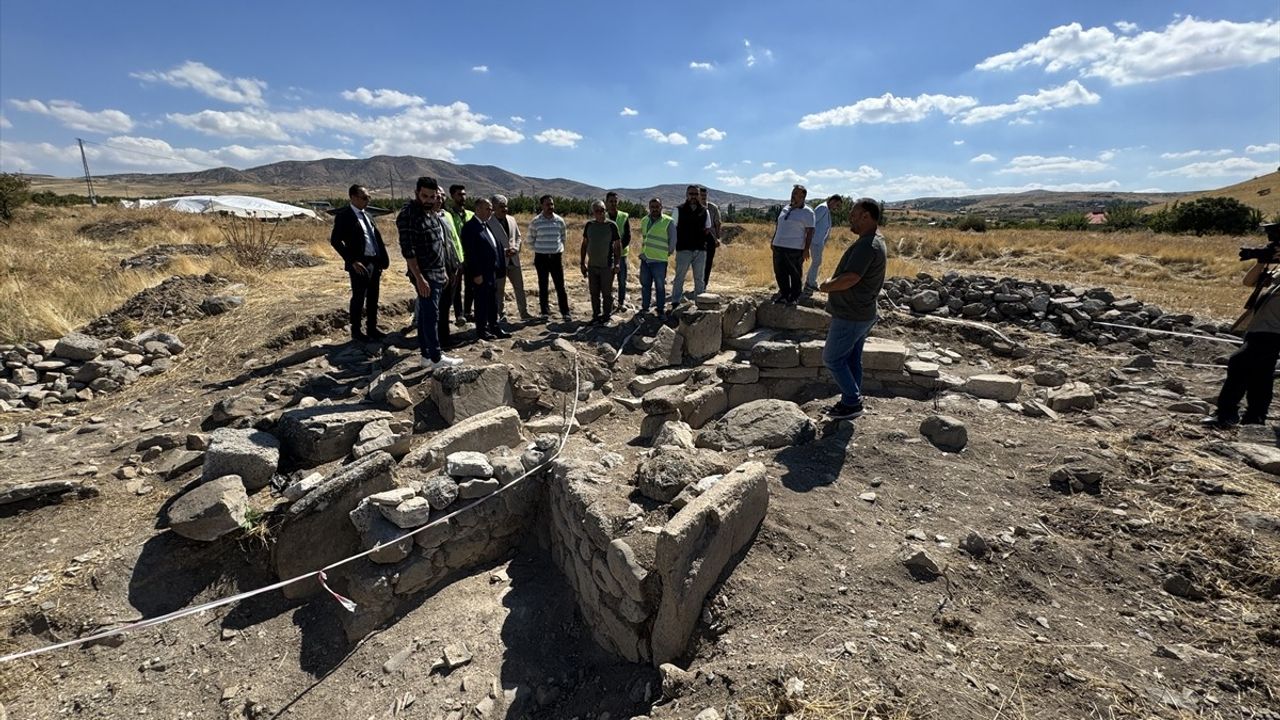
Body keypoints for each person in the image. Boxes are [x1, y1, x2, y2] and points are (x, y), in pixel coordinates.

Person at [818, 198, 887, 421]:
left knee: (832, 359)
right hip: (863, 312)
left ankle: (852, 401)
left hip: (852, 314)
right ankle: (852, 400)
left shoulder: (868, 245)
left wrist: (827, 285)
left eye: (854, 215)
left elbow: (851, 278)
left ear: (866, 216)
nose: (850, 219)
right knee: (851, 359)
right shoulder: (875, 240)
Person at [1203, 246, 1280, 428]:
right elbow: (1249, 282)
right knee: (1261, 374)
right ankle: (1255, 417)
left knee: (1239, 362)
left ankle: (1226, 413)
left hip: (1273, 331)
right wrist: (1262, 260)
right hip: (1258, 328)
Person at [396, 176, 463, 370]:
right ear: (417, 193)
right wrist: (419, 278)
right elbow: (408, 251)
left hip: (438, 272)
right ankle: (436, 358)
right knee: (431, 316)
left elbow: (438, 245)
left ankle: (426, 356)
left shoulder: (431, 213)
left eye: (432, 196)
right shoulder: (408, 215)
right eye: (424, 196)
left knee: (428, 315)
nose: (429, 200)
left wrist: (444, 272)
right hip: (424, 275)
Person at [329, 184, 390, 342]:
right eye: (364, 197)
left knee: (373, 297)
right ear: (353, 197)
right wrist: (351, 260)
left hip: (374, 262)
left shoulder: (368, 215)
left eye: (369, 197)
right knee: (358, 297)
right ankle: (356, 331)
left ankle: (372, 328)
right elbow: (335, 240)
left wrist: (381, 259)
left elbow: (375, 238)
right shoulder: (344, 216)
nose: (368, 200)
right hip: (359, 263)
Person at [461, 198, 509, 340]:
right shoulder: (470, 227)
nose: (491, 211)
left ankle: (494, 327)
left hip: (491, 272)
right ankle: (482, 331)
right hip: (480, 273)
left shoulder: (485, 225)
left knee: (492, 301)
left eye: (491, 209)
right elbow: (470, 253)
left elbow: (495, 246)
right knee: (481, 303)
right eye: (488, 208)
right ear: (478, 209)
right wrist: (476, 273)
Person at [528, 195, 572, 321]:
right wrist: (541, 249)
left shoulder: (559, 220)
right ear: (542, 206)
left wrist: (556, 249)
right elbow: (530, 240)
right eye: (547, 204)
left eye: (552, 204)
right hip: (541, 258)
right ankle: (545, 312)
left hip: (556, 258)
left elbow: (563, 237)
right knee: (543, 285)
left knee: (560, 286)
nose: (550, 207)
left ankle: (565, 312)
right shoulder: (536, 221)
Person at [771, 184, 816, 305]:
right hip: (779, 246)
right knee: (780, 272)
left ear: (803, 196)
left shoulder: (808, 212)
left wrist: (806, 249)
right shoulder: (786, 208)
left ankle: (794, 297)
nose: (793, 195)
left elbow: (810, 231)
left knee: (795, 274)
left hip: (795, 248)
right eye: (793, 192)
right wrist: (773, 240)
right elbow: (779, 225)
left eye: (796, 193)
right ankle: (784, 295)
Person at [488, 194, 531, 321]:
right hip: (499, 262)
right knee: (499, 290)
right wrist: (501, 252)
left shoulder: (512, 219)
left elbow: (518, 236)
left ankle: (524, 313)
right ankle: (500, 314)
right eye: (501, 206)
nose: (505, 209)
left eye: (506, 206)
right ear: (494, 207)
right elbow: (488, 242)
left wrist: (516, 249)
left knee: (520, 288)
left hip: (514, 260)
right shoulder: (488, 222)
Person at [670, 184, 713, 309]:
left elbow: (707, 229)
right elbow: (673, 229)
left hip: (700, 250)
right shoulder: (678, 210)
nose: (693, 196)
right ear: (686, 195)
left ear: (699, 195)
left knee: (699, 279)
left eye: (696, 194)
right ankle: (675, 302)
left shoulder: (705, 211)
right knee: (679, 277)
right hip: (683, 250)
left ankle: (700, 303)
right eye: (691, 194)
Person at [580, 200, 622, 324]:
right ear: (593, 212)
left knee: (607, 293)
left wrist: (617, 263)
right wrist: (582, 263)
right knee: (594, 293)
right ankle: (596, 315)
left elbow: (617, 245)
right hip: (592, 265)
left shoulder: (611, 225)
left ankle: (607, 315)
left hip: (607, 266)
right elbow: (584, 244)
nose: (600, 213)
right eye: (597, 211)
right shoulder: (589, 225)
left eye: (602, 210)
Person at [434, 188, 466, 350]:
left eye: (441, 196)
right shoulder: (425, 216)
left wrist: (459, 260)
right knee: (436, 305)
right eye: (436, 196)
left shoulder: (445, 215)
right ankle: (435, 341)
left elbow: (453, 240)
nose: (439, 199)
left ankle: (445, 338)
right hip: (436, 269)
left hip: (453, 264)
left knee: (446, 303)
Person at [638, 197, 677, 317]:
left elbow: (673, 240)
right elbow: (645, 238)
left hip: (659, 260)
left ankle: (660, 309)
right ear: (649, 208)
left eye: (657, 206)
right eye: (652, 207)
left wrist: (667, 253)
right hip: (645, 259)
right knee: (645, 285)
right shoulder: (644, 220)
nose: (654, 209)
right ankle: (645, 308)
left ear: (661, 207)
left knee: (660, 286)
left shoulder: (668, 221)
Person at [447, 184, 474, 326]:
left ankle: (468, 312)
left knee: (470, 285)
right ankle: (459, 314)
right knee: (456, 287)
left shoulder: (470, 214)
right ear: (452, 196)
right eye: (459, 194)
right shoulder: (448, 215)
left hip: (471, 256)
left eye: (464, 194)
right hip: (456, 256)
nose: (462, 197)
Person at [805, 194, 844, 293]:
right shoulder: (823, 208)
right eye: (837, 205)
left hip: (818, 240)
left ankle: (810, 281)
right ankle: (810, 283)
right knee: (816, 262)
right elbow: (812, 223)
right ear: (833, 201)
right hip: (815, 240)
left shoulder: (826, 209)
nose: (837, 207)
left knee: (817, 262)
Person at [605, 191, 632, 311]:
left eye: (615, 201)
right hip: (607, 255)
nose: (613, 203)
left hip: (622, 254)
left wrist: (619, 250)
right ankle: (608, 303)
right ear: (606, 202)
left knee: (622, 281)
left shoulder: (624, 216)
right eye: (611, 201)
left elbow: (627, 236)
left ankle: (621, 302)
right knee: (607, 281)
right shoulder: (603, 217)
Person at [699, 186, 722, 287]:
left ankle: (704, 285)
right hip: (697, 239)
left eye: (705, 195)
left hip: (711, 239)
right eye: (701, 195)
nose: (703, 197)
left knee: (708, 263)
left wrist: (717, 238)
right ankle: (698, 283)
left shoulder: (713, 208)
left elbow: (718, 223)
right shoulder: (694, 207)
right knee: (698, 263)